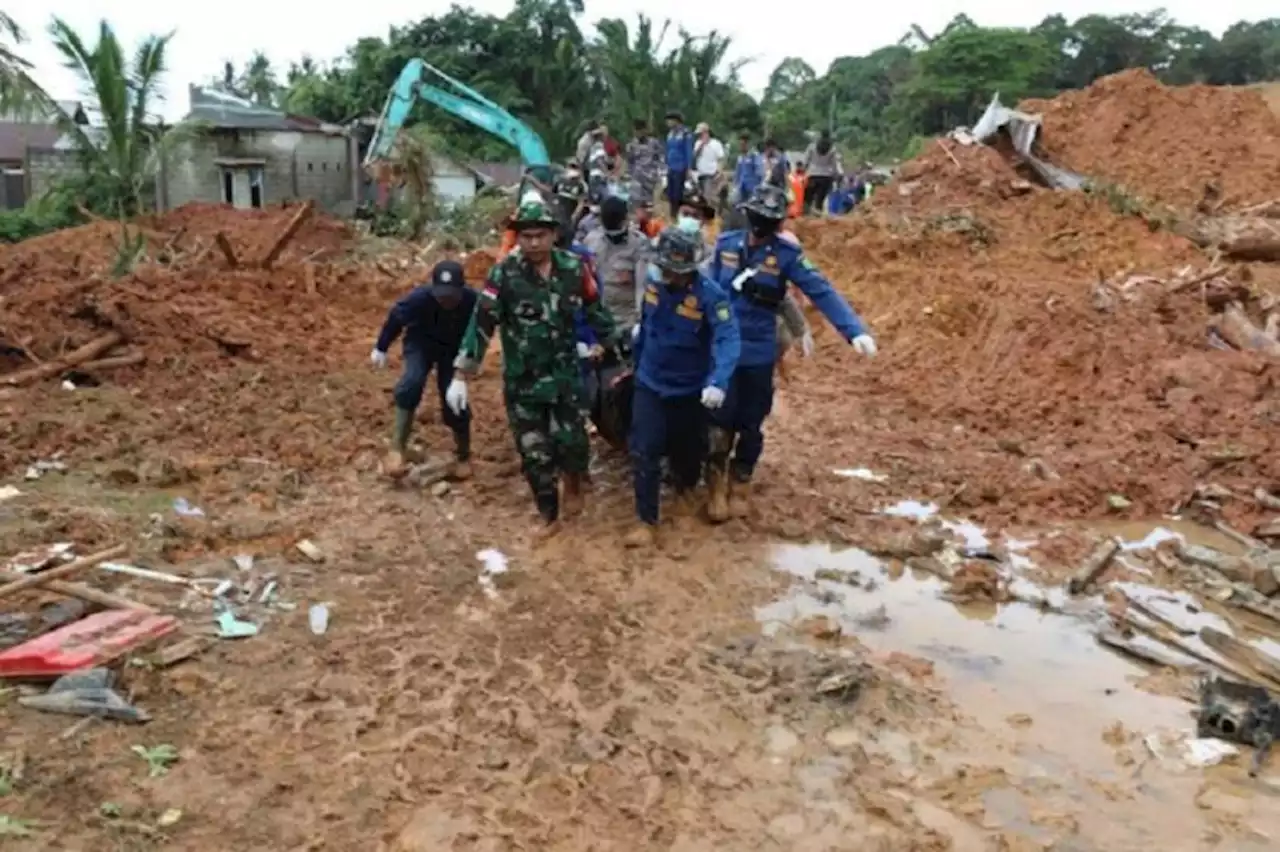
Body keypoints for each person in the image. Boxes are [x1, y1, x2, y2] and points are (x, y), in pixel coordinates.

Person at [450, 198, 628, 538]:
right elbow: (482, 323)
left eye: (540, 235)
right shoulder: (504, 274)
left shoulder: (575, 269)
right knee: (534, 454)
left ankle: (574, 482)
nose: (533, 243)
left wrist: (615, 352)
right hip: (524, 382)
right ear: (518, 238)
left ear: (553, 235)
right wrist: (462, 373)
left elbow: (597, 312)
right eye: (526, 236)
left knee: (572, 444)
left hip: (565, 378)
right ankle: (548, 514)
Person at [705, 184, 876, 521]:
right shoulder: (725, 246)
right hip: (722, 349)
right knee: (717, 421)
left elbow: (821, 290)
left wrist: (853, 330)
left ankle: (742, 479)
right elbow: (706, 289)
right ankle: (715, 486)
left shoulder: (786, 256)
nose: (759, 227)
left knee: (751, 423)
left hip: (757, 351)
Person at [626, 228, 740, 547]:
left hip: (690, 390)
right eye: (664, 269)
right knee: (644, 449)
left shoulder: (711, 297)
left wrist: (718, 381)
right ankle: (646, 520)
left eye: (675, 271)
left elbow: (728, 338)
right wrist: (636, 360)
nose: (668, 276)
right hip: (650, 382)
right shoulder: (653, 286)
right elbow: (647, 328)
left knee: (687, 449)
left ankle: (685, 491)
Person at [371, 259, 477, 480]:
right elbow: (396, 318)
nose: (445, 300)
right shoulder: (419, 298)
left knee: (454, 399)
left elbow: (484, 329)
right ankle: (397, 449)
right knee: (412, 382)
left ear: (461, 289)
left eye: (451, 295)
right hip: (421, 344)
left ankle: (463, 455)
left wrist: (467, 366)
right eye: (441, 295)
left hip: (453, 350)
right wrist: (381, 346)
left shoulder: (473, 301)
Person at [582, 195, 650, 329]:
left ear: (625, 219)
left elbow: (642, 286)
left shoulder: (639, 244)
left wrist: (639, 321)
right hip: (597, 318)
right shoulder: (591, 241)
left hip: (626, 320)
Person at [801, 130, 843, 215]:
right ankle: (817, 220)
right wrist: (837, 176)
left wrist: (802, 172)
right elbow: (834, 164)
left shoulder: (812, 146)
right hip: (826, 177)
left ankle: (805, 216)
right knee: (820, 200)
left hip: (812, 175)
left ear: (820, 136)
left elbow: (805, 161)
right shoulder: (832, 149)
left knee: (807, 198)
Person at [626, 118, 665, 208]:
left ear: (644, 130)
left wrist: (661, 175)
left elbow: (661, 159)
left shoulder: (654, 143)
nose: (637, 133)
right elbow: (630, 162)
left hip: (650, 179)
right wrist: (630, 175)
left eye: (639, 130)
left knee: (648, 206)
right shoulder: (632, 145)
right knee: (635, 204)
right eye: (635, 131)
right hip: (637, 179)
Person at [664, 110, 694, 219]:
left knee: (678, 194)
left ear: (676, 121)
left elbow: (688, 151)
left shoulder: (685, 133)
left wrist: (688, 168)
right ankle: (672, 215)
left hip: (680, 167)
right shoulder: (670, 134)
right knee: (670, 194)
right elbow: (668, 150)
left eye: (669, 120)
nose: (668, 123)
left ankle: (678, 215)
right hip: (670, 168)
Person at [692, 122, 726, 205]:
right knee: (700, 198)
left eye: (701, 133)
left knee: (707, 198)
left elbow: (721, 159)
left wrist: (719, 171)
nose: (699, 135)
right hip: (700, 175)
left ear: (706, 132)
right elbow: (694, 156)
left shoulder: (716, 144)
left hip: (711, 174)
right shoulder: (698, 143)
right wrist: (702, 145)